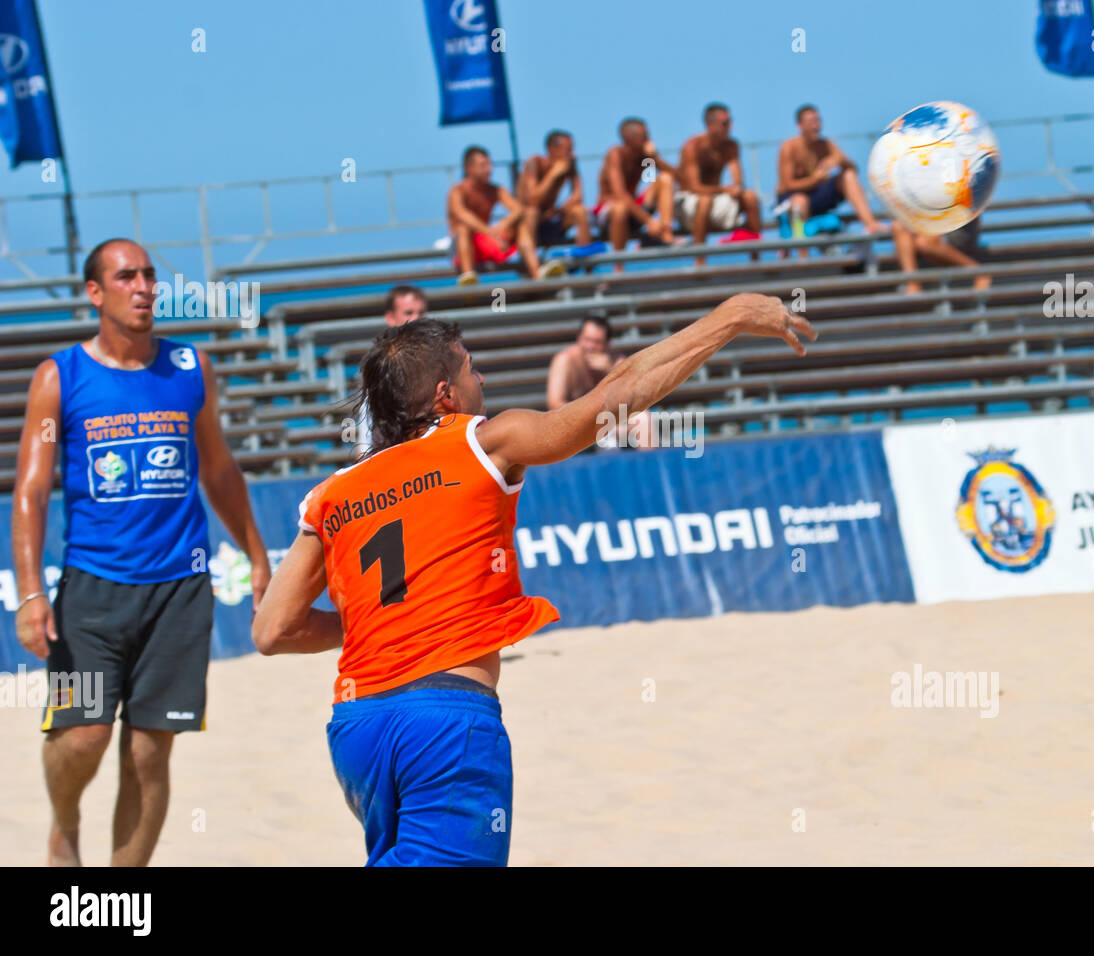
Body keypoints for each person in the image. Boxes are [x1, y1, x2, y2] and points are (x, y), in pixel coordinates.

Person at [251, 293, 815, 866]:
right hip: (444, 720)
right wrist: (730, 318)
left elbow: (273, 630)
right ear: (444, 395)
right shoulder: (482, 440)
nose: (482, 376)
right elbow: (615, 397)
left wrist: (384, 619)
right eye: (470, 366)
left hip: (358, 731)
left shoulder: (333, 492)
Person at [11, 238, 271, 867]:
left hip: (179, 590)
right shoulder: (60, 377)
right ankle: (64, 826)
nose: (144, 287)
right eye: (127, 276)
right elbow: (31, 491)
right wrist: (29, 592)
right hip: (90, 588)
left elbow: (219, 470)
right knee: (82, 736)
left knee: (151, 750)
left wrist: (258, 556)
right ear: (96, 292)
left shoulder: (189, 367)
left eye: (150, 276)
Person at [447, 145, 565, 285]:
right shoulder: (457, 191)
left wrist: (503, 225)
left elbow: (518, 209)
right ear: (469, 168)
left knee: (523, 221)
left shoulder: (495, 189)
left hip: (487, 240)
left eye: (490, 164)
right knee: (463, 228)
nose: (489, 169)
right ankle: (468, 278)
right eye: (483, 165)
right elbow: (462, 215)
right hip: (463, 248)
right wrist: (491, 233)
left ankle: (536, 272)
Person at [777, 105, 888, 249]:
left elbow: (853, 170)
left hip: (817, 198)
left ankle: (870, 223)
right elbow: (787, 185)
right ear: (800, 126)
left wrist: (840, 160)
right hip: (794, 199)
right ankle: (802, 255)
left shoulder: (826, 144)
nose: (816, 126)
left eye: (818, 121)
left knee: (847, 175)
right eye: (811, 122)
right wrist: (815, 180)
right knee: (800, 201)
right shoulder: (789, 147)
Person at [676, 103, 764, 265]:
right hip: (690, 202)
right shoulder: (693, 146)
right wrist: (723, 189)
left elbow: (738, 178)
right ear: (710, 125)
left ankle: (756, 260)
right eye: (725, 123)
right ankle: (700, 262)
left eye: (730, 122)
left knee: (750, 196)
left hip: (714, 199)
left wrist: (736, 188)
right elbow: (694, 187)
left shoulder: (731, 146)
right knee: (704, 200)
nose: (730, 127)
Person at [546, 316, 650, 450]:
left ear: (608, 344)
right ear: (579, 338)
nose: (591, 347)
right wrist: (589, 419)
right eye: (587, 340)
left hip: (609, 425)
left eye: (597, 342)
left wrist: (611, 371)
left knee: (643, 419)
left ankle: (650, 469)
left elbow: (637, 400)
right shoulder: (566, 361)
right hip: (576, 426)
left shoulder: (616, 361)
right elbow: (554, 403)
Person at [354, 286, 430, 456]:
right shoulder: (381, 367)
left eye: (421, 312)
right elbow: (366, 434)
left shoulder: (443, 359)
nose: (416, 318)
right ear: (390, 318)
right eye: (408, 312)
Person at [594, 117, 677, 265]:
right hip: (611, 213)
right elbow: (619, 193)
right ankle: (618, 266)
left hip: (633, 211)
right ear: (628, 138)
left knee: (665, 179)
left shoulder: (644, 157)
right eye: (644, 136)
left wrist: (654, 157)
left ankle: (666, 235)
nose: (648, 139)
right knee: (620, 207)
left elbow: (675, 178)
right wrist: (649, 221)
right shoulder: (615, 154)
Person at [518, 130, 592, 250]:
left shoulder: (570, 164)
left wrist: (557, 211)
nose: (572, 154)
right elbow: (532, 200)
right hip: (530, 223)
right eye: (568, 150)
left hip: (552, 218)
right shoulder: (534, 163)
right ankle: (532, 265)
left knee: (580, 211)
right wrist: (553, 174)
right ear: (552, 149)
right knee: (532, 213)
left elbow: (578, 197)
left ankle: (586, 262)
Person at [892, 215, 990, 294]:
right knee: (899, 225)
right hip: (932, 224)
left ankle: (976, 270)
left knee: (925, 242)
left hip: (957, 226)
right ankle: (912, 283)